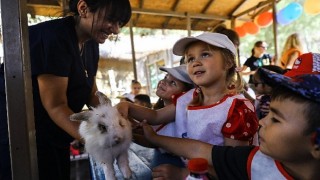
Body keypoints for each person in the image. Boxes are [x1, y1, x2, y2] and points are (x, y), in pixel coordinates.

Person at [117, 32, 259, 179]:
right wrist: (128, 107)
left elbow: (232, 167)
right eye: (190, 58)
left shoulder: (237, 108)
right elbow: (156, 116)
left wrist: (182, 174)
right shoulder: (191, 96)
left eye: (205, 54)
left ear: (228, 62)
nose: (195, 62)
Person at [141, 66, 320, 179]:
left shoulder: (237, 108)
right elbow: (198, 150)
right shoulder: (251, 160)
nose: (261, 122)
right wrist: (155, 138)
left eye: (276, 119)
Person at [28, 0, 131, 179]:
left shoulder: (90, 43)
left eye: (119, 23)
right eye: (111, 20)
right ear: (83, 9)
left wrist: (117, 120)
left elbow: (91, 94)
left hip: (56, 135)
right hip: (28, 138)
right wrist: (99, 141)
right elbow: (56, 105)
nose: (115, 30)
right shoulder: (54, 38)